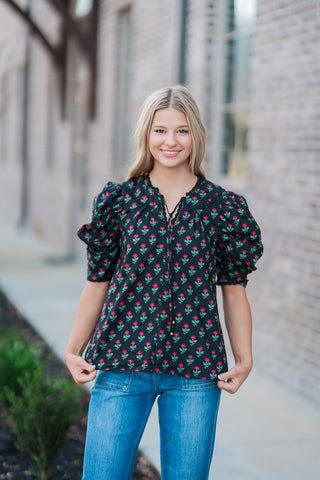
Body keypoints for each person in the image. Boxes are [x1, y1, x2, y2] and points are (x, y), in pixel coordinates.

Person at [65, 85, 263, 480]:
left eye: (182, 130)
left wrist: (244, 359)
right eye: (160, 130)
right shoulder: (119, 201)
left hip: (195, 371)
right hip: (122, 363)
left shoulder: (223, 208)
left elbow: (234, 289)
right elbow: (97, 282)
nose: (170, 141)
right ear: (146, 134)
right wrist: (74, 349)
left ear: (196, 136)